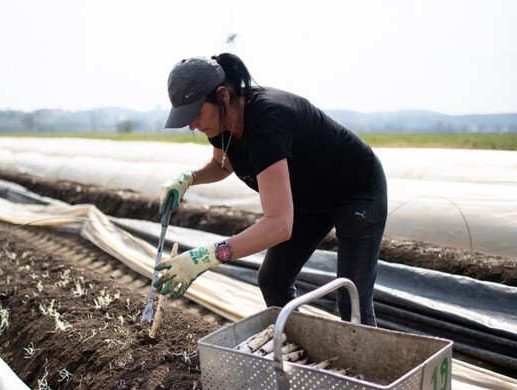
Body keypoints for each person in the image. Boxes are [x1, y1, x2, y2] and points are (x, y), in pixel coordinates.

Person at [153, 53, 387, 327]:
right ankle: (298, 351)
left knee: (352, 300)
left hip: (355, 191)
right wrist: (189, 178)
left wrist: (206, 256)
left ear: (222, 95)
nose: (192, 124)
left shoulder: (268, 124)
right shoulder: (219, 122)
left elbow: (279, 225)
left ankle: (366, 368)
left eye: (195, 113)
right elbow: (222, 163)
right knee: (273, 279)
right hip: (308, 195)